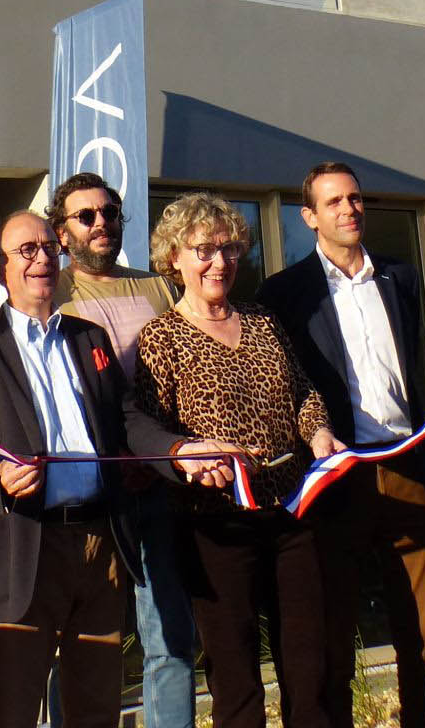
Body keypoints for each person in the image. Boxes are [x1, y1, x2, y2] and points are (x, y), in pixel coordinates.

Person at [0, 210, 187, 728]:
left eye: (49, 248)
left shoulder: (89, 337)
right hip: (25, 545)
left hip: (100, 543)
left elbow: (126, 419)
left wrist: (175, 451)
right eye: (26, 251)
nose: (42, 260)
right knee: (12, 707)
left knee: (97, 706)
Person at [130, 191, 340, 728]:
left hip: (291, 513)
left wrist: (319, 433)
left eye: (227, 249)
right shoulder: (160, 339)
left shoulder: (264, 321)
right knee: (235, 673)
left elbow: (302, 394)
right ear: (173, 258)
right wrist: (189, 459)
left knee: (307, 662)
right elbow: (155, 434)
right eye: (203, 250)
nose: (218, 263)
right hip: (213, 524)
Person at [256, 162, 425, 728]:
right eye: (334, 201)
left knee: (423, 635)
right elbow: (283, 387)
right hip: (335, 478)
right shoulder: (285, 293)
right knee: (332, 634)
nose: (349, 209)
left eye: (356, 199)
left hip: (404, 463)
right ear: (309, 217)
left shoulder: (401, 278)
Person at [48, 172, 198, 728]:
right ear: (62, 234)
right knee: (85, 645)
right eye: (85, 216)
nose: (101, 224)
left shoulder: (159, 287)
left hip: (160, 482)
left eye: (110, 212)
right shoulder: (52, 290)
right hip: (93, 491)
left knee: (169, 636)